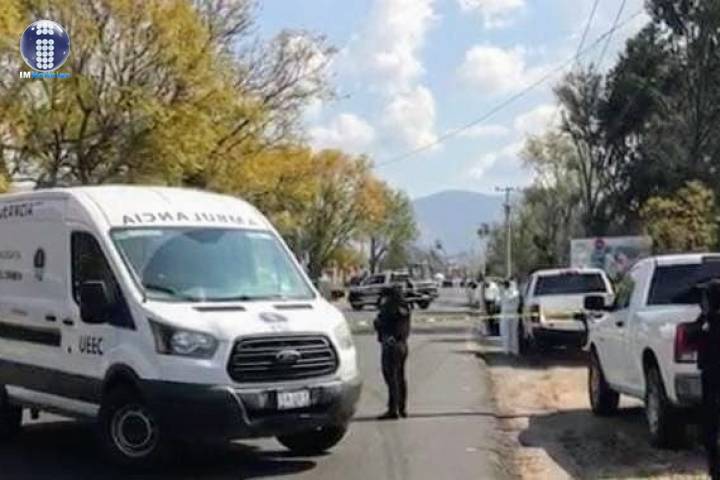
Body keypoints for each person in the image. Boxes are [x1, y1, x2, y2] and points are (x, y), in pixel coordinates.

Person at [689, 279, 720, 480]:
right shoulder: (709, 320)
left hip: (712, 378)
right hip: (711, 377)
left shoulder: (710, 322)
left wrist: (703, 319)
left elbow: (693, 337)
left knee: (711, 427)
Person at [374, 285, 411, 420]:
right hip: (403, 345)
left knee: (391, 378)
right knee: (400, 377)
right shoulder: (405, 307)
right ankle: (402, 408)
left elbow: (380, 323)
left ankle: (393, 409)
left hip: (391, 345)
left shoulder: (389, 307)